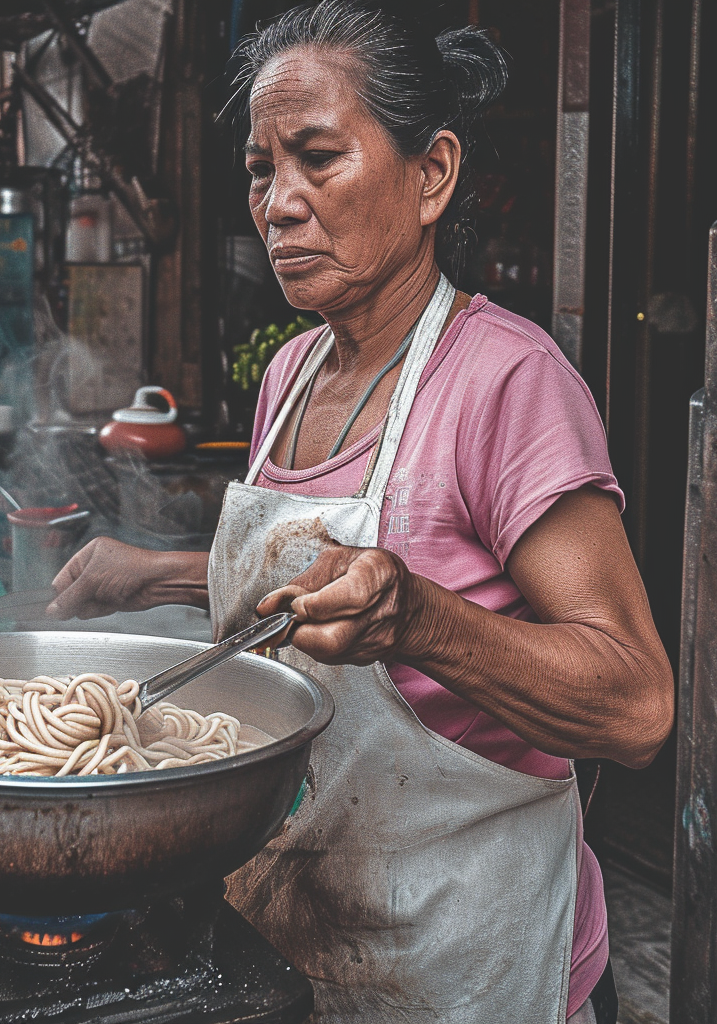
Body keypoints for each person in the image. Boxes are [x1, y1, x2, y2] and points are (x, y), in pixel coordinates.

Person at [47, 3, 674, 1021]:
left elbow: (638, 707)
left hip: (470, 954)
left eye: (317, 158)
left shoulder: (506, 382)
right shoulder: (292, 371)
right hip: (296, 938)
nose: (278, 204)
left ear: (431, 175)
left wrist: (420, 620)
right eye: (260, 169)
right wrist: (158, 569)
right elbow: (309, 587)